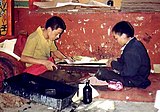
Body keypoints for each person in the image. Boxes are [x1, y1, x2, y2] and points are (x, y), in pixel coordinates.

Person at [95, 21, 151, 89]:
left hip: (135, 80)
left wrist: (113, 64)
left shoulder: (131, 50)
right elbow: (129, 62)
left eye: (116, 38)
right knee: (106, 72)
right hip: (138, 77)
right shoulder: (134, 44)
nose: (116, 41)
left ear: (124, 35)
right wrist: (116, 60)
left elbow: (127, 72)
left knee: (103, 73)